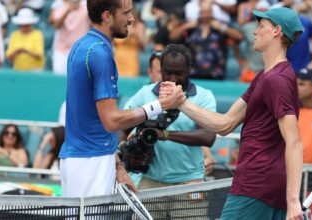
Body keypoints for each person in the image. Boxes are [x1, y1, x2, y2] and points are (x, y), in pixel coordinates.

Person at [160, 7, 304, 220]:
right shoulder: (267, 77)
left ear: (277, 31)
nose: (254, 31)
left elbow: (294, 142)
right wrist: (181, 102)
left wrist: (293, 202)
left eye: (261, 26)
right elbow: (225, 123)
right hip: (265, 183)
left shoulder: (277, 80)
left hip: (256, 184)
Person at [59, 0, 185, 198]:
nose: (132, 19)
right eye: (126, 13)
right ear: (107, 16)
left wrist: (117, 165)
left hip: (85, 159)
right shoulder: (100, 53)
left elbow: (97, 121)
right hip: (90, 163)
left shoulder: (83, 45)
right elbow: (111, 121)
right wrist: (161, 105)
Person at [124, 44, 217, 218]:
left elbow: (208, 136)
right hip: (151, 183)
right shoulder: (145, 93)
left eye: (179, 73)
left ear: (189, 69)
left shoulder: (203, 96)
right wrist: (125, 150)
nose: (173, 78)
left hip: (190, 184)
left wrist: (165, 135)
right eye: (167, 72)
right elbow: (121, 125)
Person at [49, 0, 90, 75]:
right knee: (59, 82)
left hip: (80, 52)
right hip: (61, 52)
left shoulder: (86, 7)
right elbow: (56, 25)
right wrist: (68, 11)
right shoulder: (59, 6)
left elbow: (94, 24)